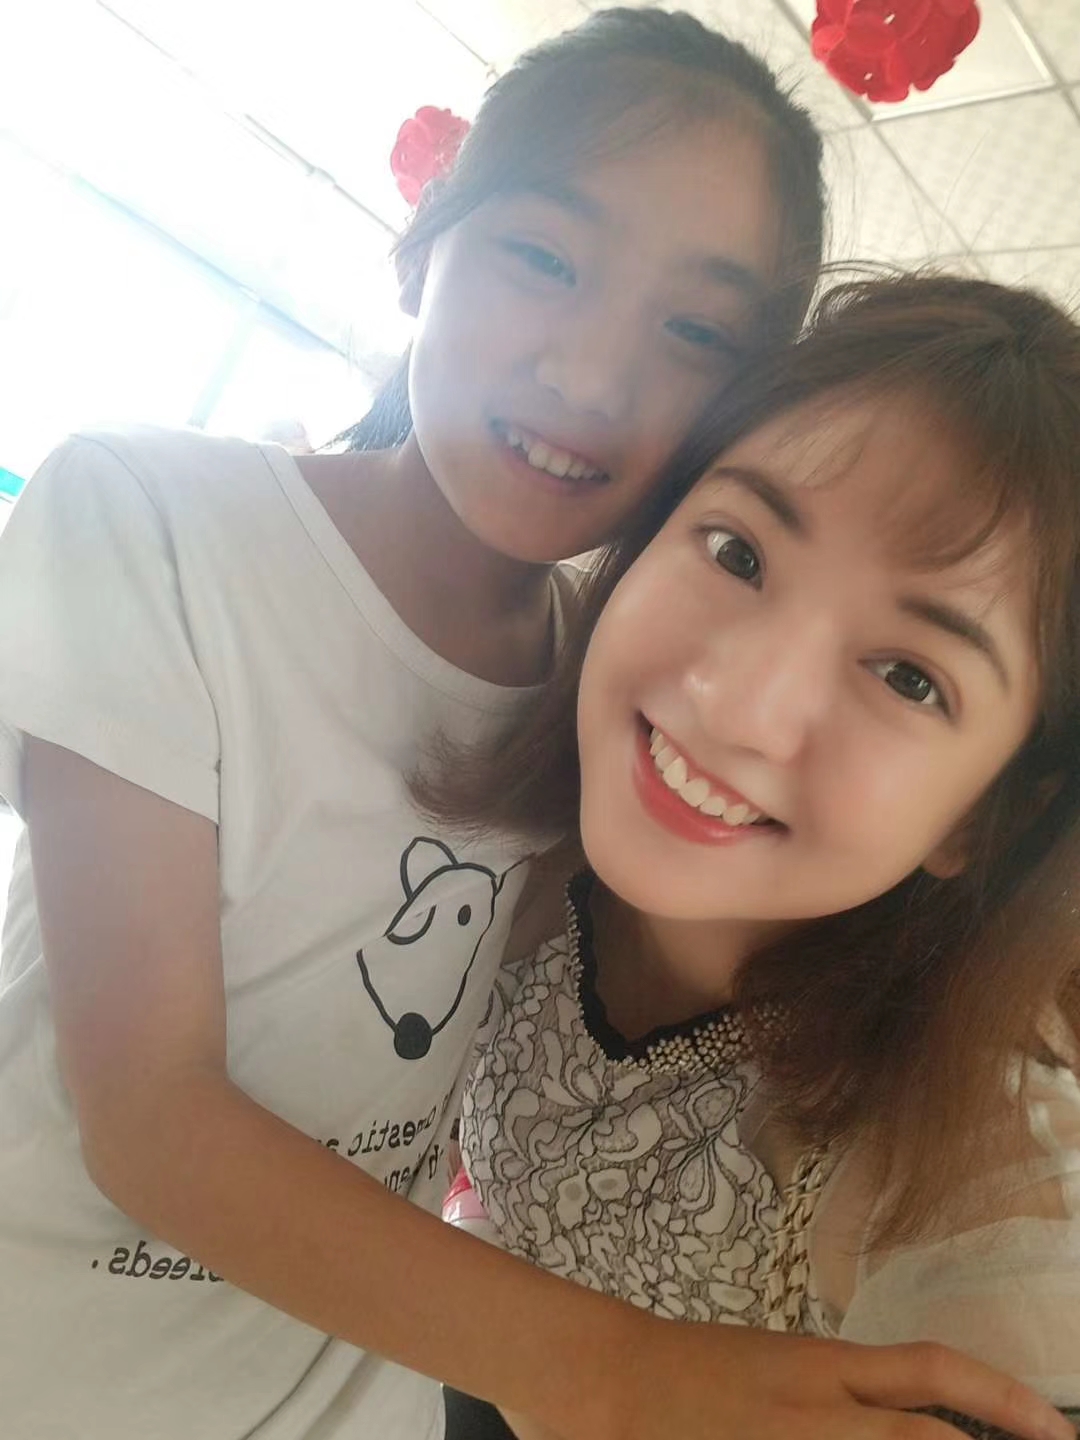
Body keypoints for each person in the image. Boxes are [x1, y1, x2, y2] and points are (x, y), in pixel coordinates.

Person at [0, 4, 1063, 1434]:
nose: (589, 376)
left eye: (695, 332)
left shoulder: (607, 693)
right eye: (546, 259)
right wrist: (614, 1367)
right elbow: (147, 1116)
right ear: (423, 240)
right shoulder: (155, 521)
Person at [434, 275, 1080, 1440]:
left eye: (909, 678)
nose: (739, 705)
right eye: (736, 553)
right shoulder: (515, 854)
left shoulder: (962, 1158)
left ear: (982, 819)